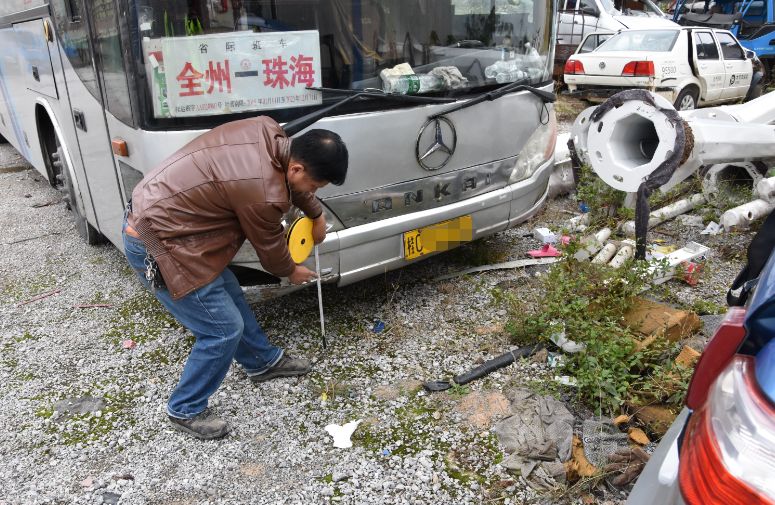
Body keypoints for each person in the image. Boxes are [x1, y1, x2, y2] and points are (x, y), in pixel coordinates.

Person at [122, 116, 348, 440]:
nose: (312, 192)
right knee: (221, 329)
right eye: (315, 187)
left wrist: (316, 213)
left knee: (229, 295)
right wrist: (292, 271)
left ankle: (261, 361)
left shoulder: (268, 133)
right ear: (297, 168)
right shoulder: (263, 191)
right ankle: (184, 408)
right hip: (160, 243)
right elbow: (271, 251)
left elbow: (287, 184)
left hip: (175, 226)